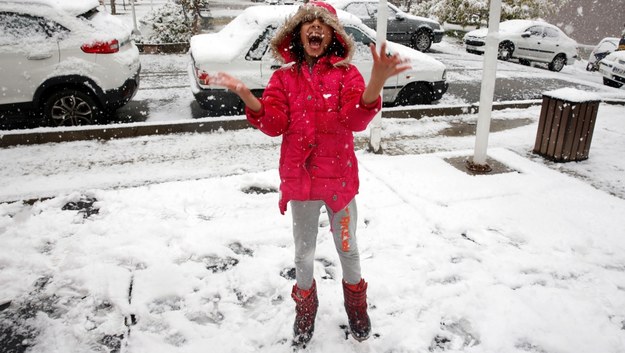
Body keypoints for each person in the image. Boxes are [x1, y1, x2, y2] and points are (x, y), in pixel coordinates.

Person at [200, 1, 409, 345]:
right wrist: (245, 95)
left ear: (333, 35)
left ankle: (356, 308)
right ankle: (305, 310)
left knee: (348, 249)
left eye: (322, 24)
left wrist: (376, 82)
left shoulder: (346, 75)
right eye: (308, 23)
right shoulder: (284, 77)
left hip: (339, 183)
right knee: (303, 254)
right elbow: (274, 123)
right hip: (301, 184)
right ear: (297, 33)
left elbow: (355, 120)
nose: (315, 28)